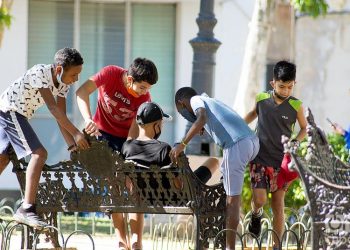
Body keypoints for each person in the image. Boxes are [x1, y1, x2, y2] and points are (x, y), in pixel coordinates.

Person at [0, 48, 89, 230]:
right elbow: (54, 109)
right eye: (74, 74)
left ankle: (26, 208)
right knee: (39, 154)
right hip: (9, 111)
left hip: (19, 115)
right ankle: (26, 208)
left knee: (3, 158)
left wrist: (72, 145)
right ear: (58, 70)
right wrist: (77, 133)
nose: (76, 79)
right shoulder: (39, 72)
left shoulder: (63, 84)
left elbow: (61, 116)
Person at [76, 58, 158, 250]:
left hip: (126, 139)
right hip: (101, 134)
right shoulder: (110, 73)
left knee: (134, 189)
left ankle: (137, 242)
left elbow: (133, 131)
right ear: (129, 79)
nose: (145, 92)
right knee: (114, 190)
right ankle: (122, 242)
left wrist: (128, 152)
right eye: (142, 87)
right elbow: (81, 92)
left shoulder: (145, 99)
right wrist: (88, 119)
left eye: (148, 88)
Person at [121, 101, 220, 249]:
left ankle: (137, 243)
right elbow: (178, 184)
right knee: (213, 162)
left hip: (141, 197)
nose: (162, 126)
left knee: (137, 196)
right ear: (156, 125)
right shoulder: (163, 149)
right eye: (161, 123)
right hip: (175, 198)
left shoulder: (126, 147)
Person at [170, 87, 259, 250]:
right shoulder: (208, 99)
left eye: (181, 111)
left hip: (237, 144)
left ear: (181, 103)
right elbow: (209, 118)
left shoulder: (195, 100)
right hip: (250, 141)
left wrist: (182, 145)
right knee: (227, 189)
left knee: (233, 200)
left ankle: (229, 247)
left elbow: (201, 118)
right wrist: (204, 126)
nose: (184, 115)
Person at [244, 60, 307, 250]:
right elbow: (251, 115)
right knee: (261, 200)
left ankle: (276, 246)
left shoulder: (296, 105)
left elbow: (304, 128)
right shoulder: (262, 99)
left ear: (294, 84)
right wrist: (237, 128)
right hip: (259, 159)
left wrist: (296, 140)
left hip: (282, 163)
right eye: (282, 86)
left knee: (278, 205)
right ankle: (256, 214)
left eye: (290, 86)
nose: (286, 91)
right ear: (273, 83)